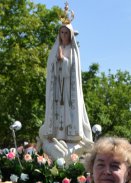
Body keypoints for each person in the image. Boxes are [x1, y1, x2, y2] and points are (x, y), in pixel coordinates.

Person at [39, 18, 93, 161]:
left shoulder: (73, 50)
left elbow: (72, 70)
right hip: (57, 88)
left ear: (70, 35)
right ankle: (56, 134)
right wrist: (56, 61)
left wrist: (63, 60)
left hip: (69, 89)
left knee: (68, 110)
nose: (63, 35)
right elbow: (51, 69)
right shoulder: (55, 49)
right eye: (61, 32)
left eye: (66, 33)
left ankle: (69, 136)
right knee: (57, 110)